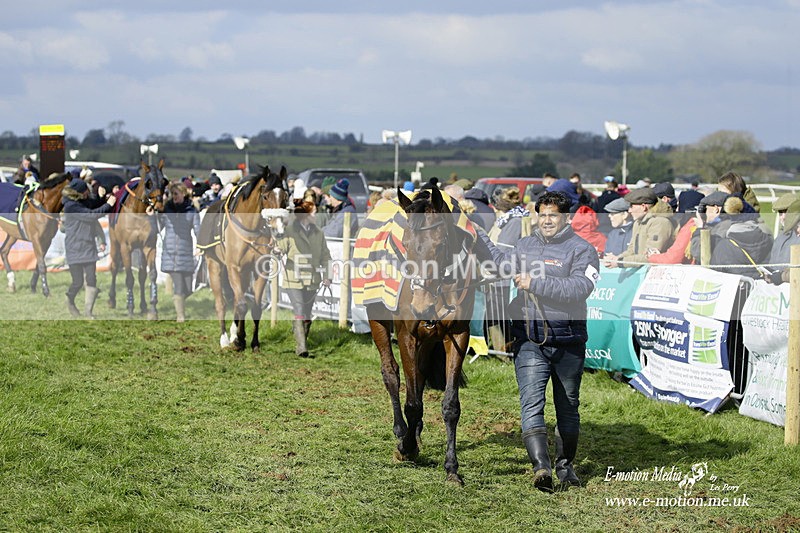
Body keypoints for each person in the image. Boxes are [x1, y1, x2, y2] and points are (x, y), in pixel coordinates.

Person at [477, 191, 599, 492]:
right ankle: (541, 467)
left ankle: (565, 466)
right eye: (542, 214)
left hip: (569, 340)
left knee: (568, 406)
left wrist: (536, 283)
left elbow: (580, 288)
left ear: (565, 217)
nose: (547, 220)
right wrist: (478, 236)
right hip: (530, 339)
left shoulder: (583, 250)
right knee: (531, 403)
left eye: (553, 215)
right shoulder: (524, 245)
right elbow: (500, 262)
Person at [276, 199, 332, 358]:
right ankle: (302, 348)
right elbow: (281, 247)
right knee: (299, 310)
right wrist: (278, 250)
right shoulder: (289, 231)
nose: (316, 215)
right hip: (293, 279)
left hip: (313, 280)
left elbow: (326, 256)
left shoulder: (319, 233)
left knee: (307, 313)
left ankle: (302, 340)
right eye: (314, 212)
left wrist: (327, 276)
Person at [61, 178, 116, 318]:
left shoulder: (82, 202)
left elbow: (93, 204)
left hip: (88, 246)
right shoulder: (71, 207)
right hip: (74, 248)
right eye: (86, 190)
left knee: (92, 279)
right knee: (77, 282)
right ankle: (70, 299)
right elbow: (92, 215)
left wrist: (101, 197)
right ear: (79, 193)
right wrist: (108, 205)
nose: (88, 192)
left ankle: (88, 312)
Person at [690, 192, 772, 278]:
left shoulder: (723, 242)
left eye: (705, 209)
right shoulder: (767, 238)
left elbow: (712, 271)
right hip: (758, 286)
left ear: (716, 209)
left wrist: (699, 229)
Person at [160, 181, 201, 322]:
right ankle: (180, 316)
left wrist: (200, 245)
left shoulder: (192, 211)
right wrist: (152, 216)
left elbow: (198, 230)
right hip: (171, 254)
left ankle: (178, 301)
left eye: (176, 194)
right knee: (178, 285)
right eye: (172, 194)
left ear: (183, 194)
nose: (174, 196)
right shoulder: (167, 209)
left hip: (186, 253)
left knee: (189, 288)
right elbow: (157, 227)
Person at [603, 187, 675, 268]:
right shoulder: (638, 222)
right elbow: (632, 251)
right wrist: (615, 259)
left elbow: (650, 257)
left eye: (631, 206)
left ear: (643, 207)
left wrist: (619, 262)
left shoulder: (660, 222)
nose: (629, 210)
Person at [766, 197, 800, 285]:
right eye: (780, 213)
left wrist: (782, 277)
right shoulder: (779, 238)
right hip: (779, 293)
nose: (784, 217)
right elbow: (772, 265)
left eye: (787, 212)